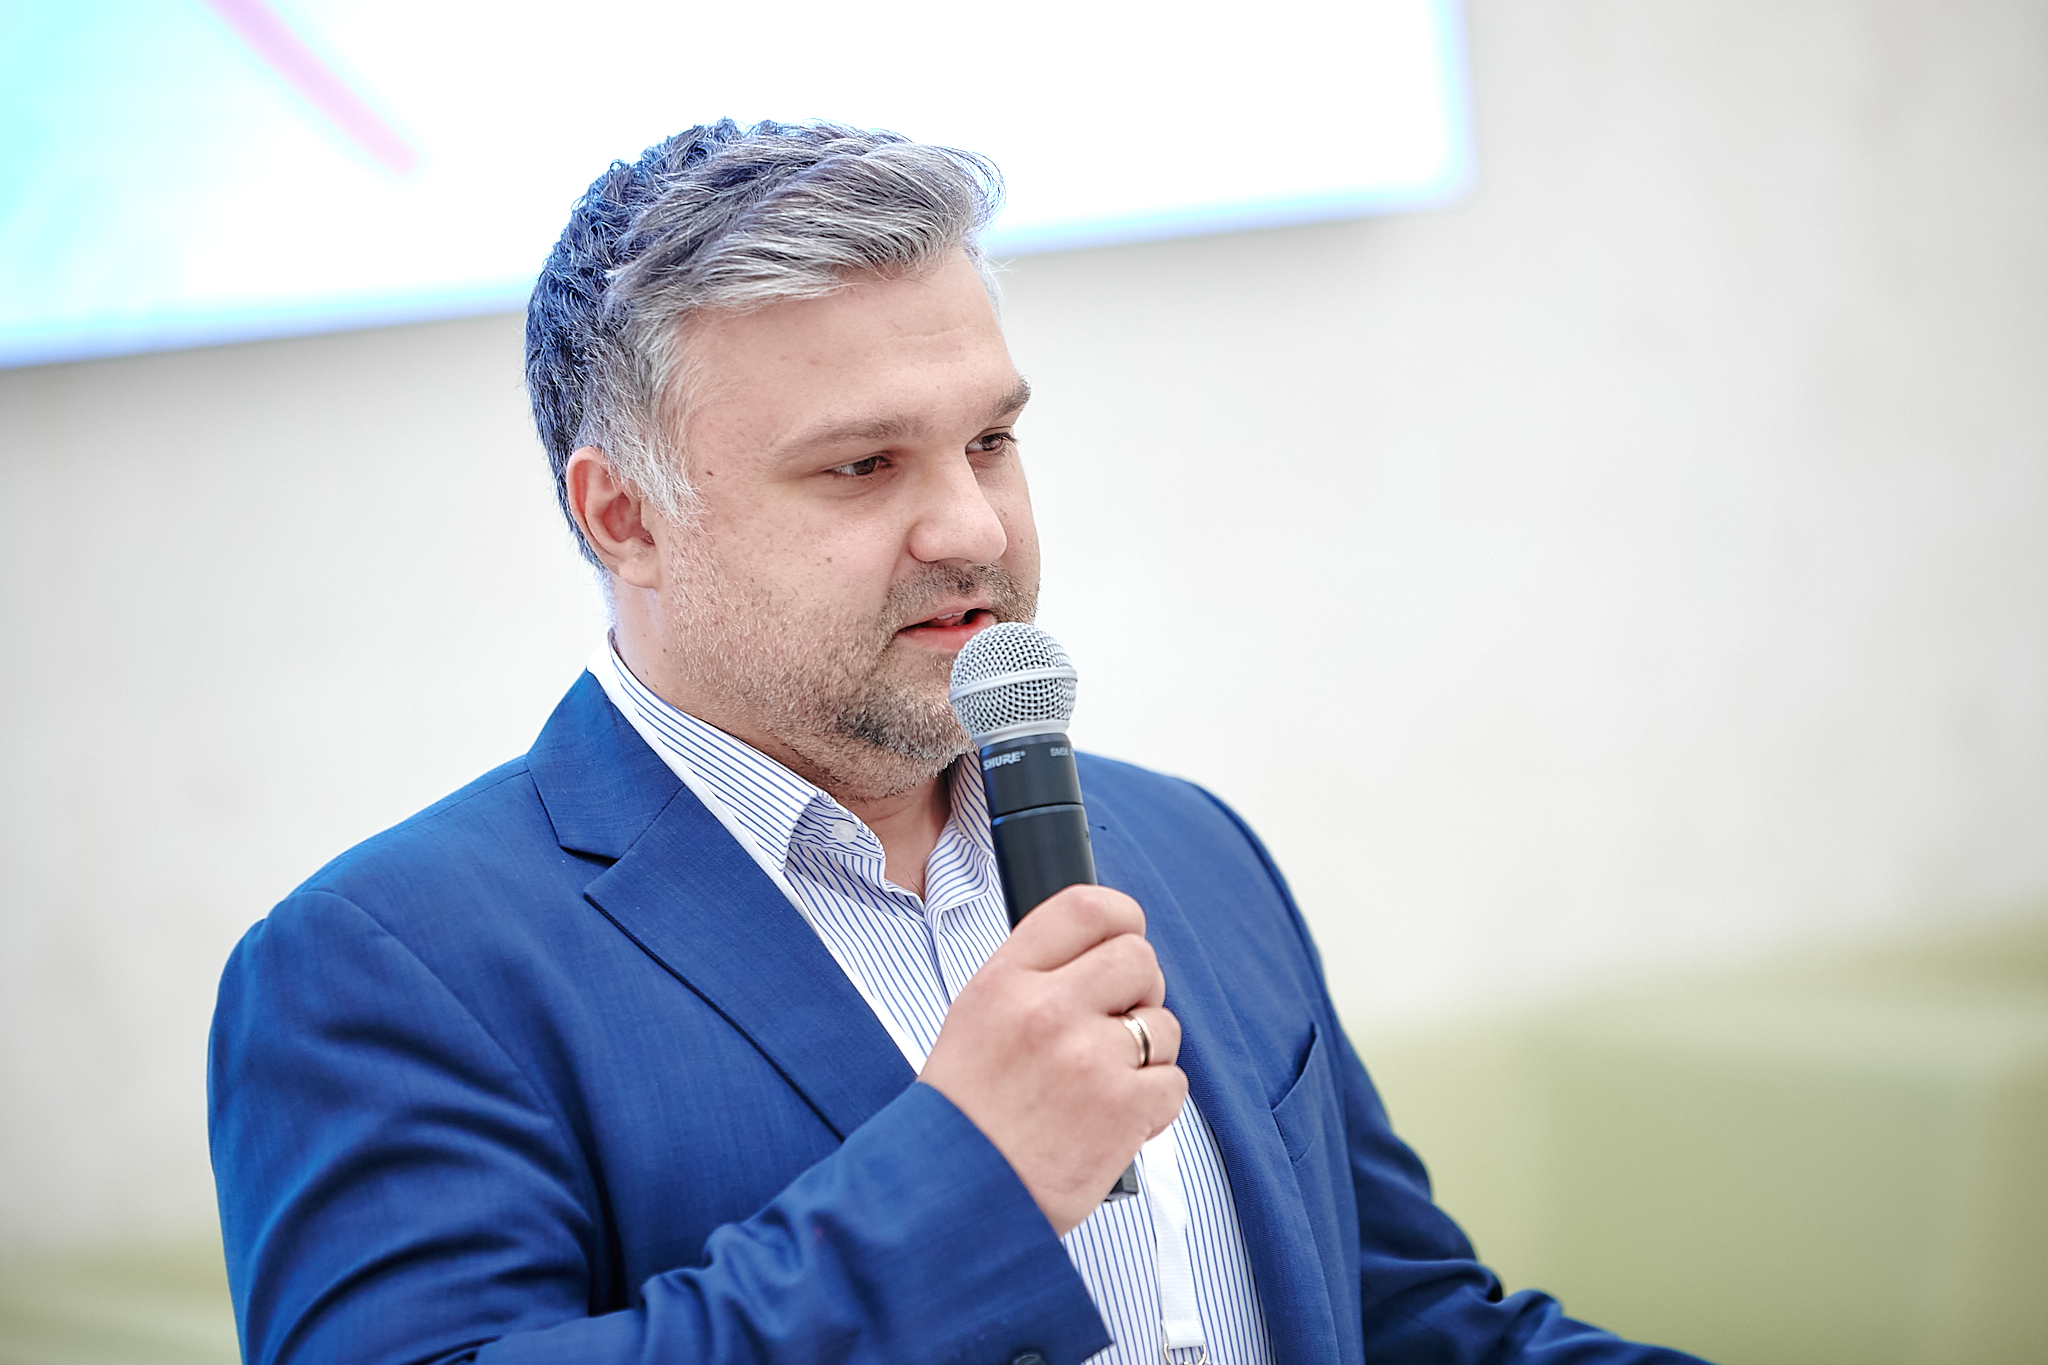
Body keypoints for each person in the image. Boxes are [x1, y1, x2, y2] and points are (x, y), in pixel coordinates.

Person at [209, 119, 1707, 1365]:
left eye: (990, 441)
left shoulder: (1187, 845)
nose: (974, 528)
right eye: (864, 465)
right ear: (626, 517)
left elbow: (1413, 1324)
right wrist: (970, 1181)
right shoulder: (386, 967)